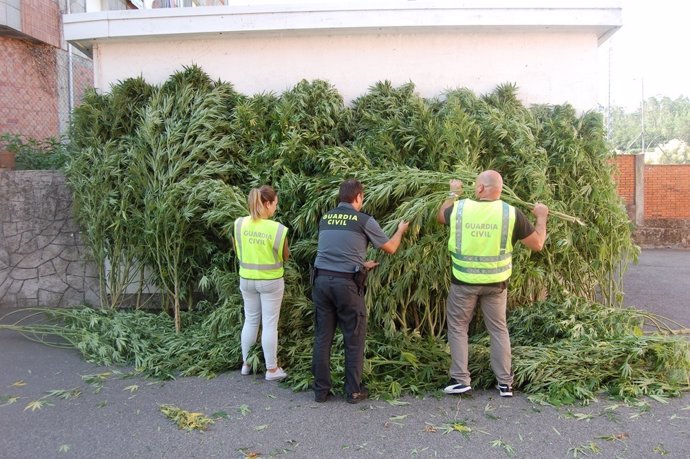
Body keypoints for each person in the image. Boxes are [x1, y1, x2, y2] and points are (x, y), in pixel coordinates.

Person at [437, 170, 548, 397]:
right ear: (500, 189)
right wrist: (542, 217)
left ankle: (460, 380)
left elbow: (440, 215)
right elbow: (537, 244)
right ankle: (505, 383)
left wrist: (453, 193)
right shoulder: (511, 213)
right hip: (496, 283)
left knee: (458, 327)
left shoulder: (461, 208)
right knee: (498, 329)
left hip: (464, 280)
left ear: (479, 188)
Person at [312, 179, 410, 404]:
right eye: (362, 198)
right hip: (346, 285)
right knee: (354, 338)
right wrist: (400, 230)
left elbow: (336, 249)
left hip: (321, 281)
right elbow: (391, 248)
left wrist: (361, 263)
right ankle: (353, 391)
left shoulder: (326, 218)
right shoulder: (364, 219)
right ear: (358, 198)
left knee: (323, 337)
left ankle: (320, 391)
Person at [234, 185, 290, 381]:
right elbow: (285, 256)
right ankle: (272, 370)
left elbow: (237, 249)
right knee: (269, 324)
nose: (275, 207)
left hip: (246, 279)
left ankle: (246, 364)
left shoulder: (239, 224)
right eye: (275, 204)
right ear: (267, 204)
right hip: (271, 282)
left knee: (250, 320)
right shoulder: (277, 229)